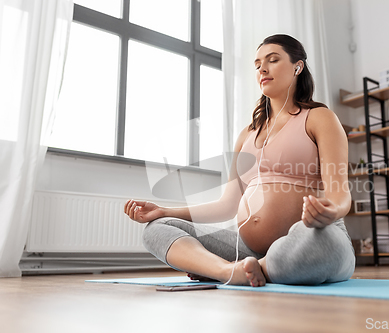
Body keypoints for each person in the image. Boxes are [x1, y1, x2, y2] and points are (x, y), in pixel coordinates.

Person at [124, 34, 355, 287]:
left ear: (297, 67)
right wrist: (165, 210)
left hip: (311, 237)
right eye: (257, 65)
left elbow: (339, 195)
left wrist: (329, 212)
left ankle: (248, 269)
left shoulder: (319, 118)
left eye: (273, 60)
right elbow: (227, 205)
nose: (262, 69)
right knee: (158, 228)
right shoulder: (247, 134)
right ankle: (229, 271)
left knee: (312, 243)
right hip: (248, 251)